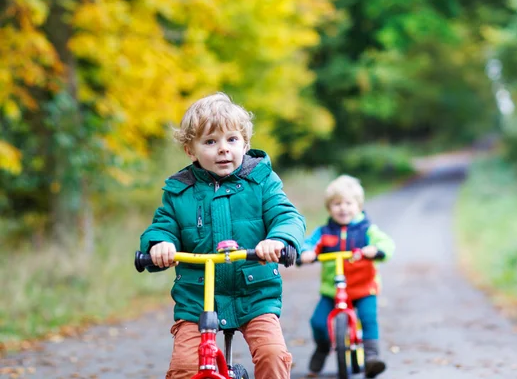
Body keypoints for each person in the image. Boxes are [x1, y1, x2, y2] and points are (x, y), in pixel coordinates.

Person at [139, 92, 306, 379]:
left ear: (245, 143)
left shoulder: (261, 181)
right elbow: (163, 225)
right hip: (197, 298)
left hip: (254, 293)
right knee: (185, 368)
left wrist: (278, 240)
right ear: (191, 151)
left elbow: (287, 216)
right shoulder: (180, 191)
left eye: (231, 140)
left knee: (272, 355)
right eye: (210, 142)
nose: (223, 149)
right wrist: (160, 244)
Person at [299, 174, 395, 378]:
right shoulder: (324, 232)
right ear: (329, 208)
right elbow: (309, 244)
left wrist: (375, 249)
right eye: (336, 204)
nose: (343, 208)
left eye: (348, 203)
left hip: (363, 287)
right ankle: (323, 348)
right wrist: (306, 253)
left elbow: (386, 244)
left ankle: (371, 357)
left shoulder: (366, 229)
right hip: (333, 289)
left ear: (359, 206)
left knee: (368, 318)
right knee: (318, 322)